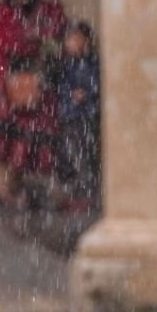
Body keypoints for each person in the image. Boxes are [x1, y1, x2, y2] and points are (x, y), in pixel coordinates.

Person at [0, 0, 68, 207]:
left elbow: (56, 31)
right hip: (8, 84)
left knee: (35, 138)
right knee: (10, 142)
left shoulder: (43, 8)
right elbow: (5, 42)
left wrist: (53, 0)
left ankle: (24, 190)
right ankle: (8, 187)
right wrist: (34, 39)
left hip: (37, 82)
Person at [55, 21, 101, 206]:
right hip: (69, 114)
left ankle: (87, 190)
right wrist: (69, 93)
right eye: (68, 39)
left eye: (75, 39)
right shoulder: (64, 64)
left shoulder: (92, 63)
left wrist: (88, 92)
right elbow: (60, 85)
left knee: (86, 153)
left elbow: (96, 82)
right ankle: (76, 189)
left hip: (87, 114)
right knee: (72, 152)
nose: (70, 43)